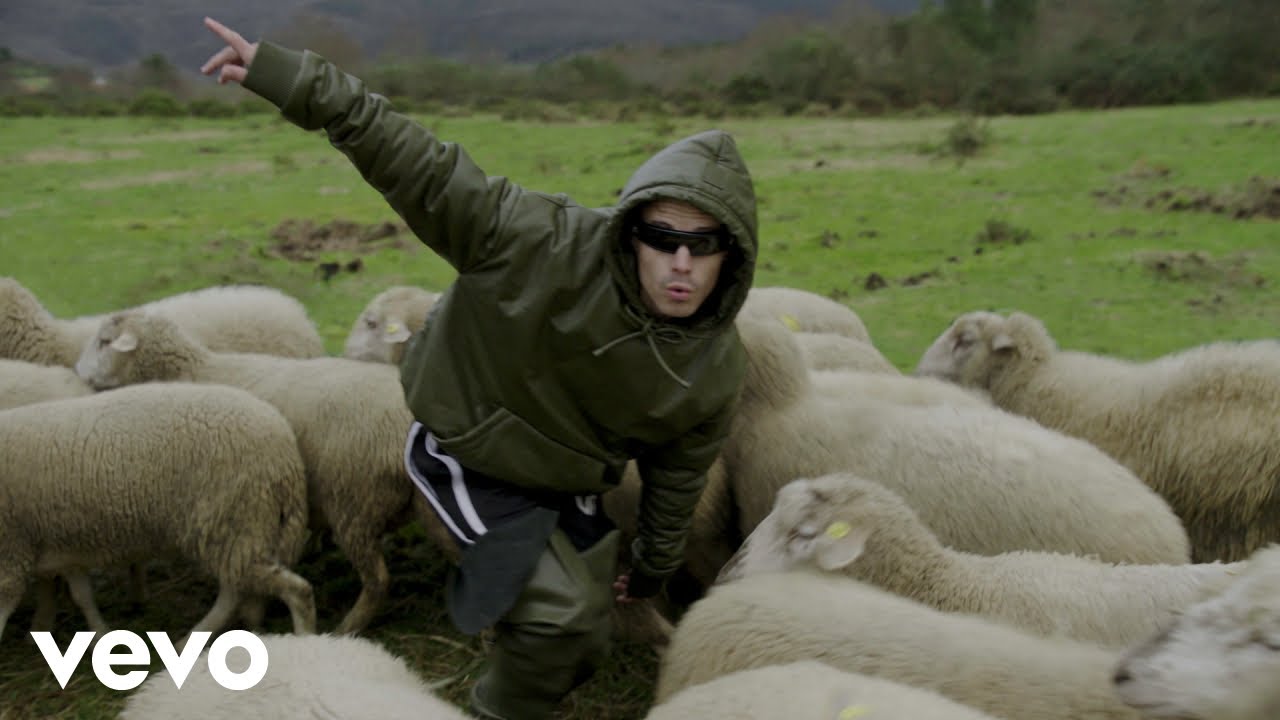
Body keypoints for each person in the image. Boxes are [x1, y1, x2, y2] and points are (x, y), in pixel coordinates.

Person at [200, 17, 757, 720]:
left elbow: (679, 474)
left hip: (567, 479)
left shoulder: (713, 367)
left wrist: (650, 567)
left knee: (586, 636)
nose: (680, 262)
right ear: (632, 228)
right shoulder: (537, 240)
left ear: (731, 255)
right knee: (556, 618)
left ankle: (518, 663)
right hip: (472, 447)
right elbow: (418, 163)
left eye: (702, 245)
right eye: (662, 236)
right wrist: (289, 77)